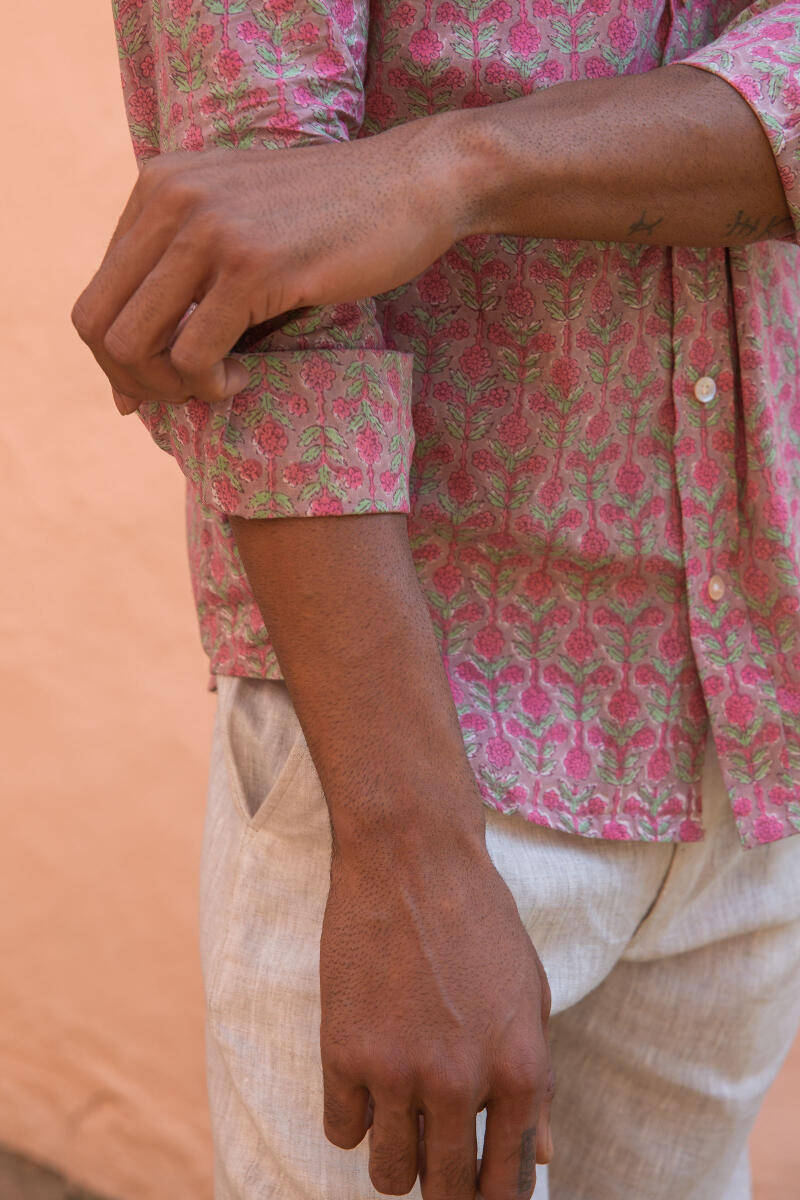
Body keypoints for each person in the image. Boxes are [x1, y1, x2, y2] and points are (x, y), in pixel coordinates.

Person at [72, 0, 800, 1196]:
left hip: (749, 719)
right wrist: (409, 847)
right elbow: (262, 262)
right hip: (429, 735)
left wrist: (451, 168)